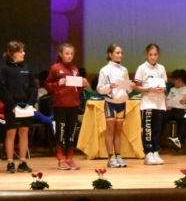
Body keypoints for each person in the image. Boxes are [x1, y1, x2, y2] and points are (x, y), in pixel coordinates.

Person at [45, 42, 87, 170]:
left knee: (71, 132)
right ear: (60, 54)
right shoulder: (55, 68)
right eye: (67, 53)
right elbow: (47, 85)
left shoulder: (75, 69)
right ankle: (61, 158)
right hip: (60, 105)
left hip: (73, 104)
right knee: (61, 132)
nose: (69, 56)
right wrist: (57, 83)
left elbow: (76, 90)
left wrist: (82, 85)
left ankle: (70, 157)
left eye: (71, 54)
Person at [0, 40, 37, 173]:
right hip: (12, 106)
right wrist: (12, 105)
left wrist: (30, 104)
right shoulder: (4, 69)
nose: (23, 53)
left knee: (24, 132)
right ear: (11, 53)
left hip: (25, 106)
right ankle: (10, 162)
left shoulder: (27, 68)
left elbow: (34, 87)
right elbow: (2, 89)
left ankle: (22, 162)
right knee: (11, 133)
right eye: (20, 51)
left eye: (23, 51)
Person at [96, 43, 134, 168]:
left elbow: (127, 89)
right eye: (117, 53)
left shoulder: (124, 70)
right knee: (110, 130)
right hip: (111, 103)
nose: (120, 55)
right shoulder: (105, 70)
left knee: (118, 131)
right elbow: (99, 89)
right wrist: (109, 86)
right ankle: (110, 158)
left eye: (121, 53)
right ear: (110, 54)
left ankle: (118, 156)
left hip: (121, 103)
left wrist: (130, 87)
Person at [134, 43, 168, 165]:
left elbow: (164, 85)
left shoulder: (161, 68)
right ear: (146, 54)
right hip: (147, 102)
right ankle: (148, 152)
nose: (153, 57)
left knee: (157, 128)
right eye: (150, 54)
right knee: (147, 128)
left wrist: (162, 88)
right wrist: (149, 89)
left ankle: (155, 151)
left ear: (158, 55)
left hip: (159, 102)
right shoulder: (142, 68)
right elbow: (137, 87)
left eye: (155, 55)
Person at [165, 68, 186, 150]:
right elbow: (168, 100)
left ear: (179, 80)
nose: (173, 82)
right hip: (172, 109)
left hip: (183, 110)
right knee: (161, 116)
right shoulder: (172, 89)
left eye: (174, 80)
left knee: (185, 118)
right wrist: (167, 105)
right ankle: (156, 142)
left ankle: (178, 140)